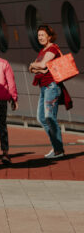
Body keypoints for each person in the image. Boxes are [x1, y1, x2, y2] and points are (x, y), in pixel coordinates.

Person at [29, 25, 68, 159]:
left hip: (52, 87)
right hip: (44, 87)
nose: (40, 38)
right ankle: (56, 147)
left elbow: (41, 65)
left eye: (42, 35)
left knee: (49, 117)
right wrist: (37, 67)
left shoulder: (52, 49)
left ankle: (59, 150)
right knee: (41, 118)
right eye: (38, 35)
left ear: (49, 37)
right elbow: (36, 69)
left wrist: (34, 65)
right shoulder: (43, 50)